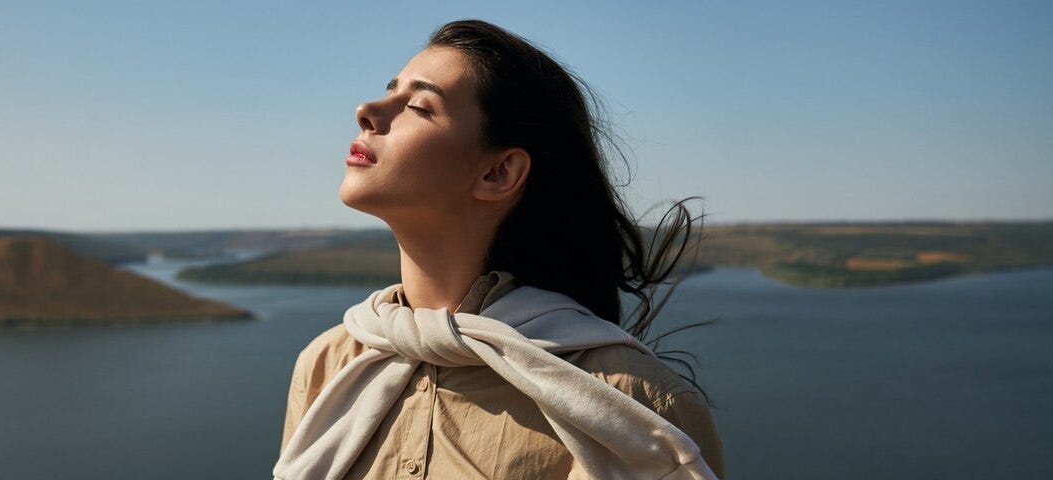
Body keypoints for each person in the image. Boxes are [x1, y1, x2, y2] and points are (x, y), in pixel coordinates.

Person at [276, 19, 724, 480]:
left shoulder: (632, 404)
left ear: (499, 173)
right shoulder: (329, 365)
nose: (366, 110)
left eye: (418, 105)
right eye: (390, 91)